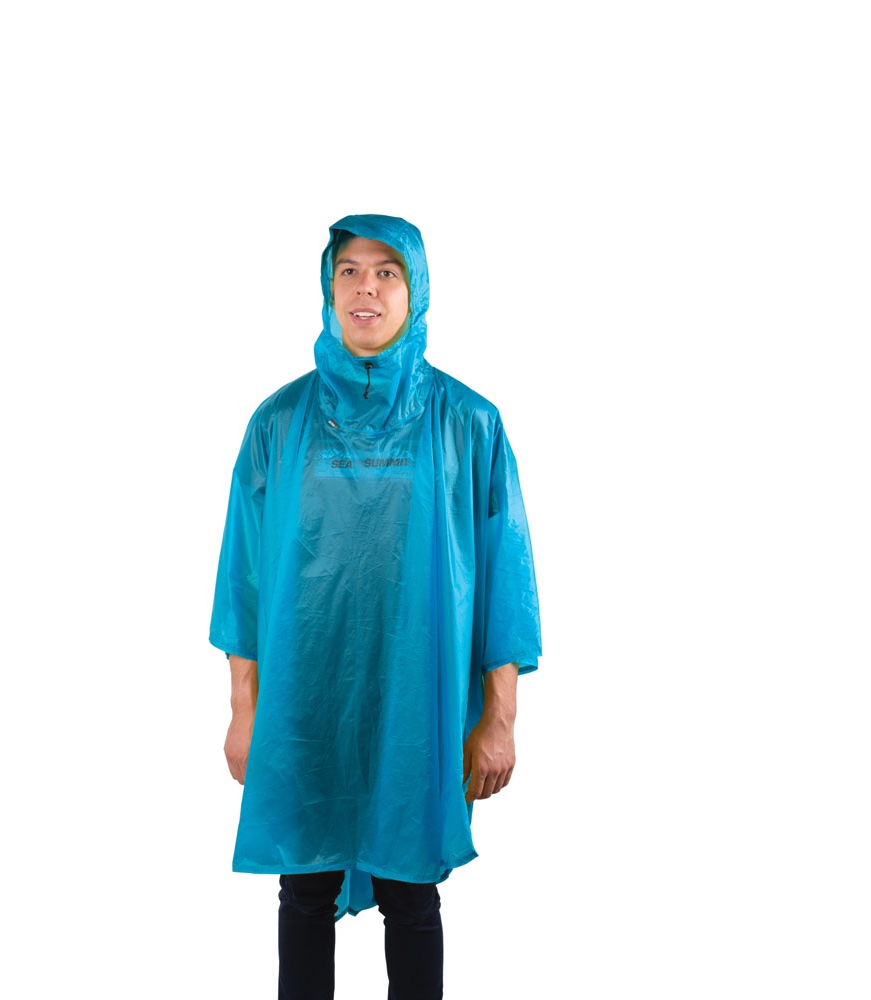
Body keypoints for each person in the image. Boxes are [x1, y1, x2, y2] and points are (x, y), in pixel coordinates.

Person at [210, 214, 541, 999]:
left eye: (387, 272)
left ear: (415, 290)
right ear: (328, 290)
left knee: (410, 891)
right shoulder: (279, 424)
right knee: (303, 886)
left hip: (417, 704)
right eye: (349, 271)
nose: (367, 288)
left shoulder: (469, 423)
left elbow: (506, 577)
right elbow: (243, 579)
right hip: (305, 703)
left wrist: (500, 717)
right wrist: (244, 711)